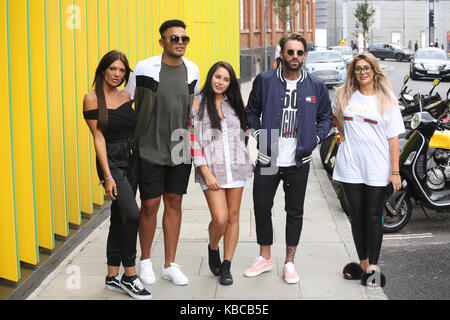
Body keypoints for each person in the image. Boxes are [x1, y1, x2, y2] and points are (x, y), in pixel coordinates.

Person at [244, 33, 332, 284]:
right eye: (290, 52)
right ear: (281, 53)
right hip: (269, 156)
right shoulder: (265, 80)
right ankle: (265, 257)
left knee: (294, 211)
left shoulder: (315, 85)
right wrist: (259, 133)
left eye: (300, 53)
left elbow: (325, 118)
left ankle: (289, 262)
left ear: (305, 55)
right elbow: (251, 112)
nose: (295, 57)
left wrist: (315, 140)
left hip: (299, 160)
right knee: (262, 206)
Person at [125, 19, 200, 286]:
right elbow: (126, 101)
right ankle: (144, 261)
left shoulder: (193, 71)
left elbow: (194, 108)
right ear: (162, 42)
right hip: (148, 147)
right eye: (174, 38)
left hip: (180, 149)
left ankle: (169, 264)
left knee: (174, 204)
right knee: (149, 205)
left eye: (184, 38)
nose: (180, 42)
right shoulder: (144, 68)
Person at [83, 50, 152, 300]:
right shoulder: (91, 99)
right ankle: (130, 276)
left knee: (120, 216)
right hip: (112, 163)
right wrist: (107, 176)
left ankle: (112, 274)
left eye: (122, 70)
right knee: (132, 214)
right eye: (113, 69)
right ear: (103, 69)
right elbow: (98, 138)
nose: (118, 74)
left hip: (133, 160)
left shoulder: (126, 95)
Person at [332, 52, 405, 288]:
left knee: (373, 218)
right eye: (358, 69)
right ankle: (363, 264)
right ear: (353, 72)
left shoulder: (387, 100)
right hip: (351, 166)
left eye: (366, 68)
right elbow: (335, 115)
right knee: (357, 216)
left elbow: (394, 140)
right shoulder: (345, 95)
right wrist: (342, 133)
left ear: (374, 71)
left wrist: (395, 172)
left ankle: (373, 267)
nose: (362, 72)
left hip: (377, 168)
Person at [189, 61, 254, 285]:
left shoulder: (234, 104)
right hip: (212, 170)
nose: (221, 82)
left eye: (226, 79)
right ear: (210, 77)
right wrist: (205, 172)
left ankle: (226, 266)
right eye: (218, 77)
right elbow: (192, 139)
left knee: (233, 217)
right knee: (220, 218)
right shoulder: (197, 104)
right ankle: (213, 246)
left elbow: (245, 131)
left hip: (236, 167)